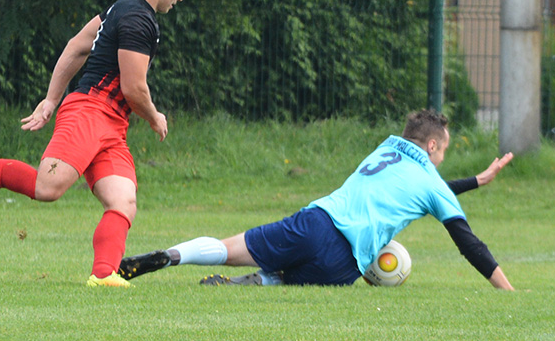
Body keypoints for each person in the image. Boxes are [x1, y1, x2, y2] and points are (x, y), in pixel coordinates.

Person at [0, 0, 192, 288]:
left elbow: (78, 46)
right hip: (90, 112)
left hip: (112, 125)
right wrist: (154, 117)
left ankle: (103, 274)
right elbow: (133, 87)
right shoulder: (139, 20)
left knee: (123, 200)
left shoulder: (119, 8)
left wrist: (52, 99)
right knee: (48, 188)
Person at [118, 109, 516, 290]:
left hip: (317, 222)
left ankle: (173, 257)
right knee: (291, 279)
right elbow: (468, 242)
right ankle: (263, 281)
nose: (441, 160)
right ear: (431, 145)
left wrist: (476, 181)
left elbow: (428, 187)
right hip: (343, 265)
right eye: (442, 152)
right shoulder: (430, 181)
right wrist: (506, 289)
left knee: (228, 248)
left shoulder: (385, 149)